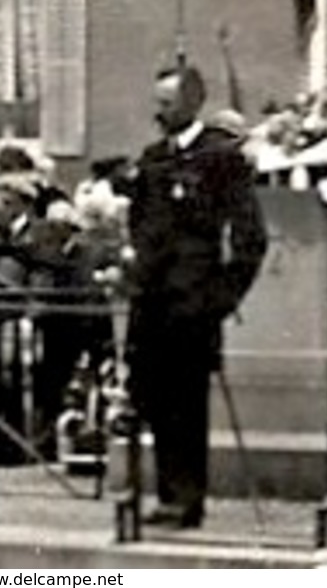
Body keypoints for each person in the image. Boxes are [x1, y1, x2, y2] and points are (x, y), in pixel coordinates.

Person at [124, 61, 268, 529]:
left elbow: (250, 237)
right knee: (152, 398)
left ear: (192, 103)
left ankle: (186, 499)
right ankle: (166, 491)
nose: (157, 111)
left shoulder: (220, 157)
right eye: (157, 102)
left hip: (193, 304)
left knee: (186, 404)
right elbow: (142, 224)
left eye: (166, 103)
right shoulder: (151, 158)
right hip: (151, 301)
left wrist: (222, 297)